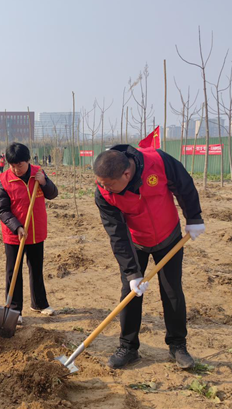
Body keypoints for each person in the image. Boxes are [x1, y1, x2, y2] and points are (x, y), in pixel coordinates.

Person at [93, 145, 205, 370]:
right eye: (102, 183)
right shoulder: (103, 192)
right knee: (130, 292)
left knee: (172, 290)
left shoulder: (158, 161)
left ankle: (177, 345)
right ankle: (128, 347)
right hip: (136, 242)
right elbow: (116, 233)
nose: (105, 188)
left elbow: (184, 185)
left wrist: (193, 217)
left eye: (109, 184)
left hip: (169, 236)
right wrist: (132, 272)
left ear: (126, 174)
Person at [0, 142, 58, 325]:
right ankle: (15, 309)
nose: (16, 170)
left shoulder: (38, 173)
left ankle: (39, 303)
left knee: (36, 268)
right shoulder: (4, 180)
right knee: (13, 271)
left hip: (36, 231)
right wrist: (16, 226)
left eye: (20, 165)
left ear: (28, 161)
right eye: (12, 166)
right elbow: (2, 210)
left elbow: (53, 194)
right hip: (15, 234)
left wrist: (44, 182)